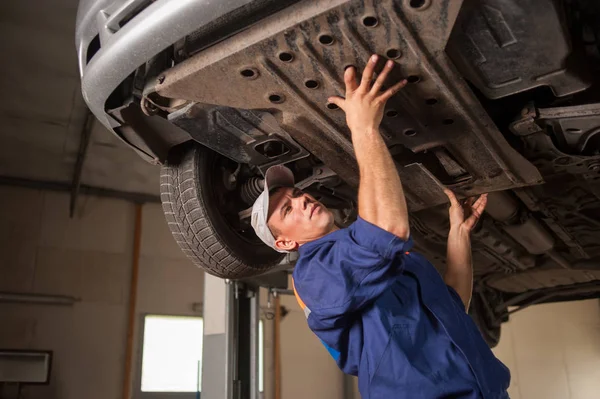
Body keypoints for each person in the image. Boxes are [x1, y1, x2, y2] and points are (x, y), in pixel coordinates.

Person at [251, 54, 510, 398]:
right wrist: (362, 127)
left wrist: (458, 236)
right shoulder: (313, 275)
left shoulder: (384, 259)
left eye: (297, 194)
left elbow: (450, 305)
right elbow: (387, 228)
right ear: (284, 243)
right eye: (287, 210)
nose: (302, 201)